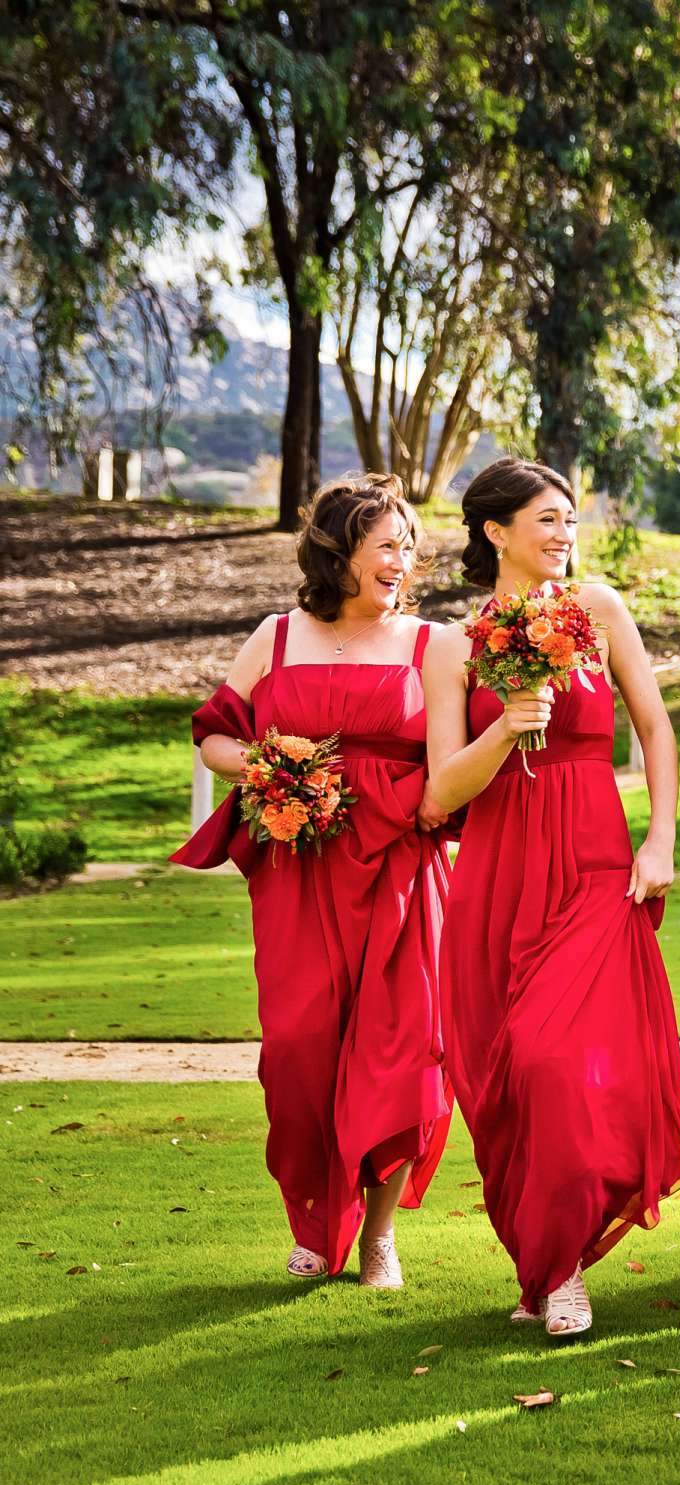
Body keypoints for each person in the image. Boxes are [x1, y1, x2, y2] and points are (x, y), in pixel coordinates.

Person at [425, 457, 680, 1338]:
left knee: (555, 1063)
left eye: (569, 520)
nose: (564, 535)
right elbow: (441, 792)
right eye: (547, 520)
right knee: (503, 1080)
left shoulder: (598, 611)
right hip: (497, 879)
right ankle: (537, 1264)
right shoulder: (451, 646)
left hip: (598, 870)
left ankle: (562, 1272)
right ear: (496, 532)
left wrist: (663, 837)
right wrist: (507, 721)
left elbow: (654, 726)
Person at [173, 473, 450, 1288]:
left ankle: (381, 1236)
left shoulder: (431, 645)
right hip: (300, 869)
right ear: (339, 552)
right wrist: (273, 764)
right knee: (299, 1055)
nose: (402, 560)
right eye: (385, 545)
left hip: (400, 866)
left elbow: (452, 763)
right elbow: (216, 738)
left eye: (408, 545)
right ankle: (315, 1220)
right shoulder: (277, 635)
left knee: (401, 1052)